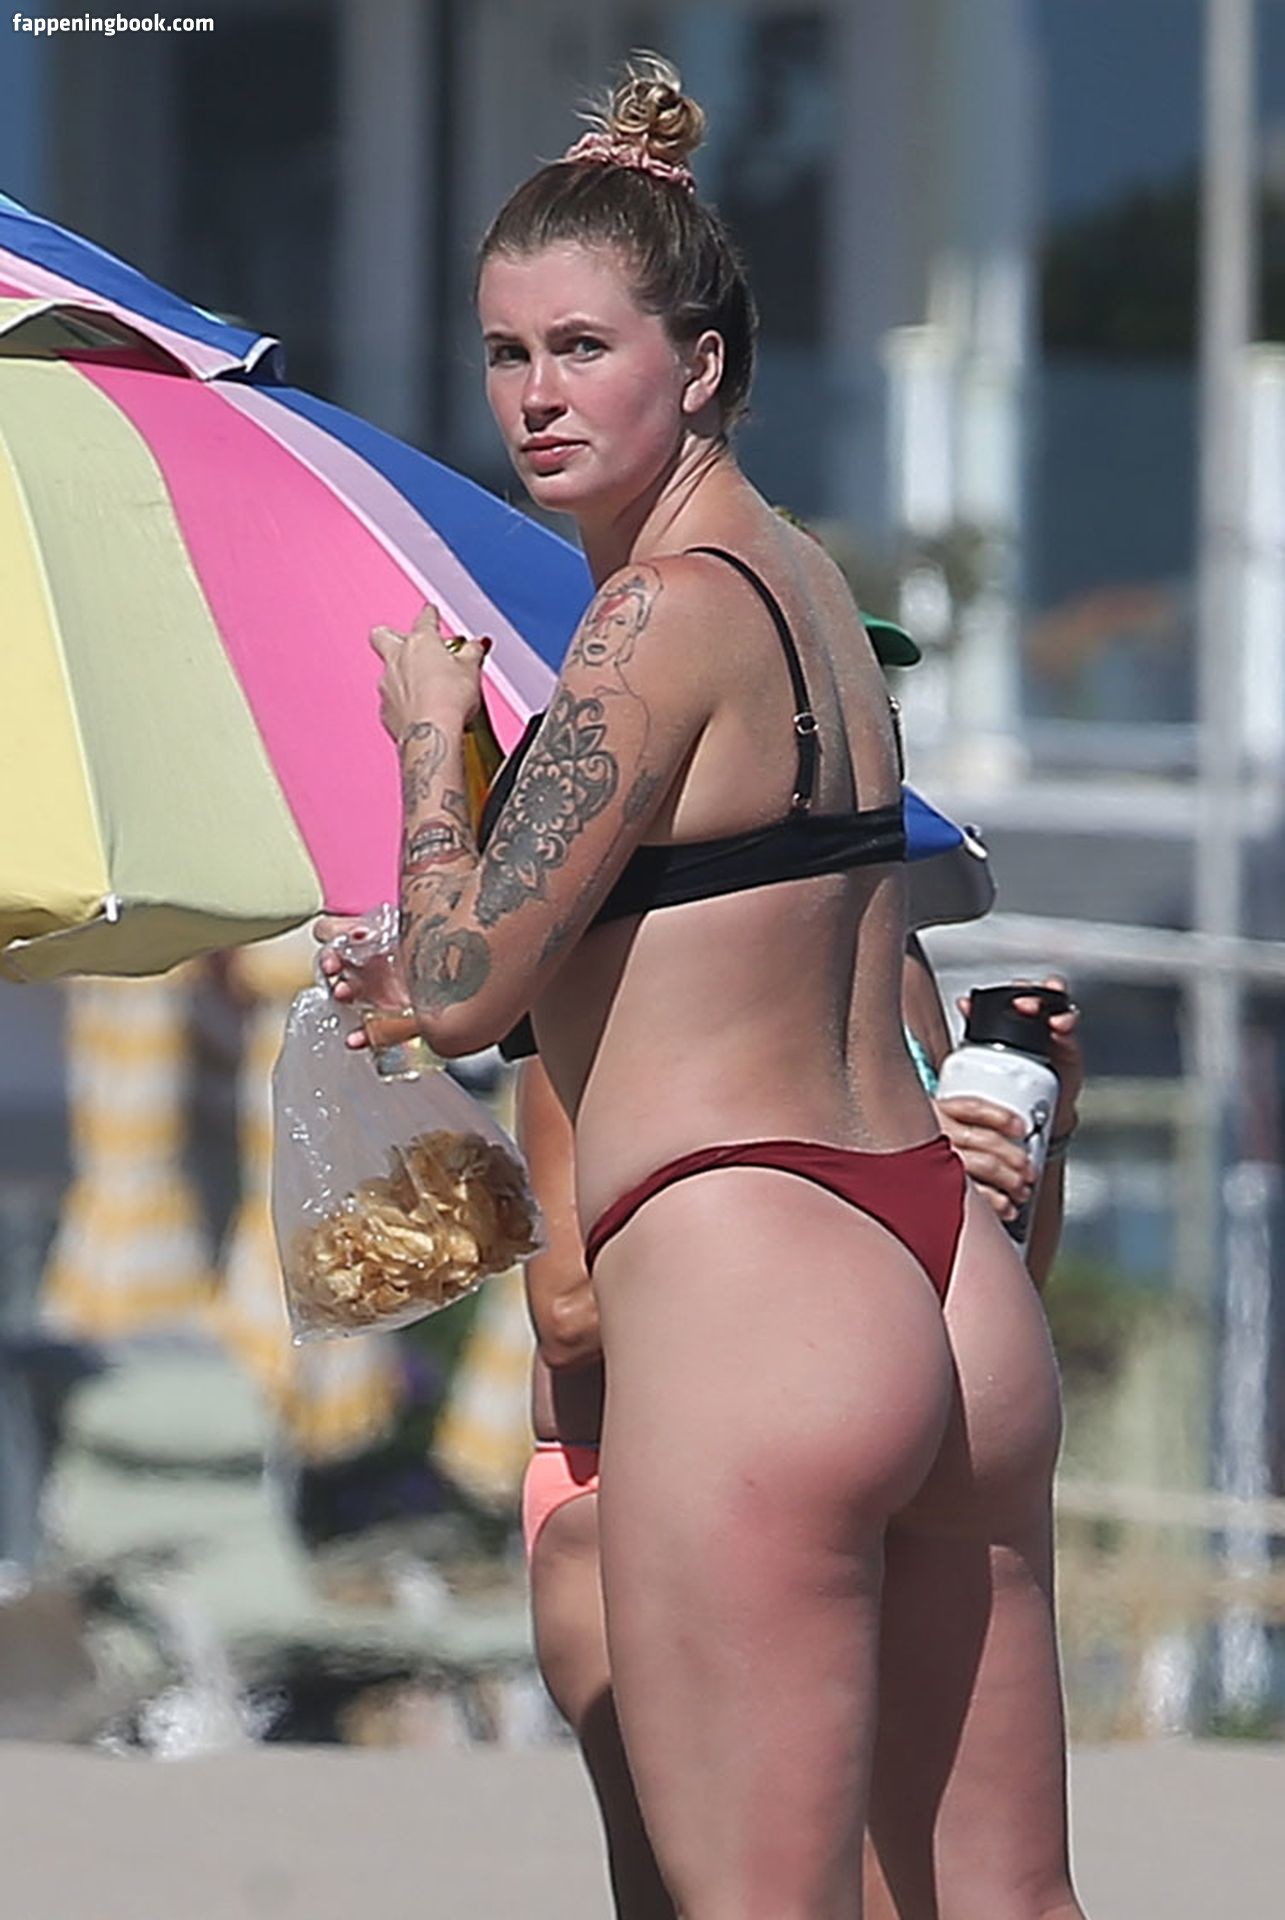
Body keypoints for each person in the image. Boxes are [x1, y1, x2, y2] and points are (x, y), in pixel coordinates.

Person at [323, 55, 1086, 1918]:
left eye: (585, 349)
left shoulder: (655, 615)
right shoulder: (811, 588)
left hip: (755, 1283)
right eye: (507, 354)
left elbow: (462, 984)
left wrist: (430, 743)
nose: (536, 397)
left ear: (704, 364)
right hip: (941, 1268)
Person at [518, 963, 1083, 1920]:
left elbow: (985, 1289)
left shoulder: (894, 982)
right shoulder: (617, 982)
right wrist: (825, 1205)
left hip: (867, 1486)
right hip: (630, 1482)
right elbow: (568, 1310)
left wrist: (1038, 1141)